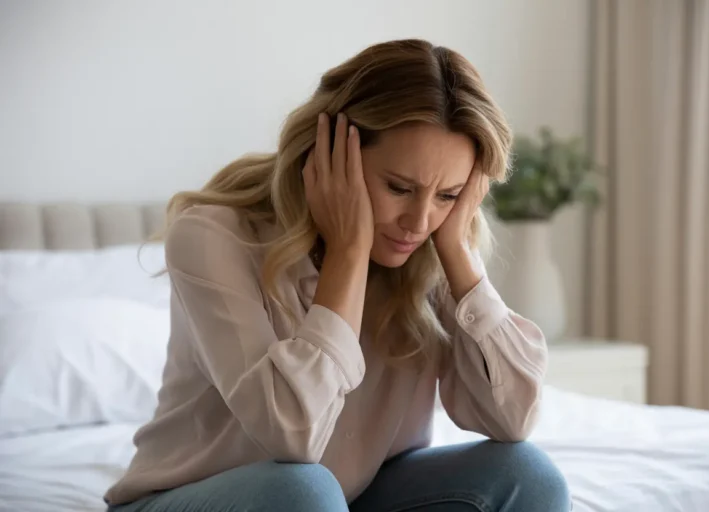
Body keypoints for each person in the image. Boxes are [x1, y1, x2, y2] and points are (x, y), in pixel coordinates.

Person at [104, 38, 570, 512]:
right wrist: (350, 251)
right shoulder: (214, 235)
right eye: (399, 188)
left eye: (448, 195)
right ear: (329, 153)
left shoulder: (430, 243)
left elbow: (513, 419)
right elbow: (292, 437)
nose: (419, 220)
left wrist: (457, 252)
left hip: (349, 497)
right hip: (208, 497)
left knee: (528, 477)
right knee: (303, 492)